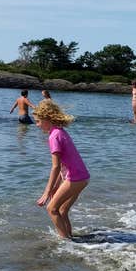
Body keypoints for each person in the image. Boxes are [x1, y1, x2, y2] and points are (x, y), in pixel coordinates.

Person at [33, 99, 89, 240]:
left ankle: (66, 243)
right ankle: (70, 237)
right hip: (82, 177)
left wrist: (46, 192)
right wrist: (56, 186)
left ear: (47, 118)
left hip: (75, 178)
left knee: (51, 209)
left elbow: (56, 166)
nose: (37, 125)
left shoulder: (54, 136)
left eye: (38, 121)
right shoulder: (60, 131)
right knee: (62, 210)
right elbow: (64, 165)